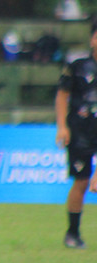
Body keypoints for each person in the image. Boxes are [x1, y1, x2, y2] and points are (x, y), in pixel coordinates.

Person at [55, 17, 97, 249]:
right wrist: (62, 126)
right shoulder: (78, 65)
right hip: (80, 132)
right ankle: (72, 233)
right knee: (81, 182)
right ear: (92, 39)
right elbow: (62, 94)